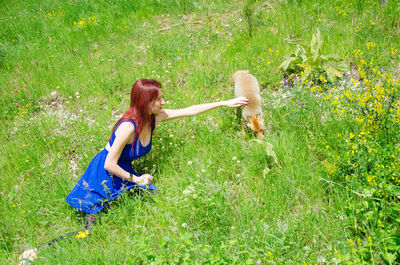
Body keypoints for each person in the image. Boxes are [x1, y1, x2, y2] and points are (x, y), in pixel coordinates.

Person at [18, 78, 248, 264]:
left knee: (154, 196)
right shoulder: (129, 127)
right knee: (89, 232)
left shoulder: (154, 118)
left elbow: (189, 111)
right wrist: (136, 179)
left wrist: (224, 103)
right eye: (159, 99)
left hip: (122, 171)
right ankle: (35, 253)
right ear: (146, 102)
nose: (163, 102)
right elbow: (109, 164)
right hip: (102, 176)